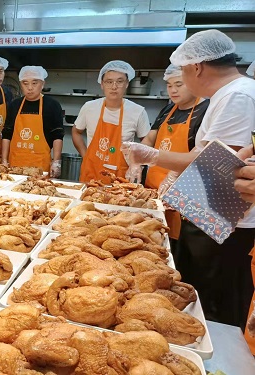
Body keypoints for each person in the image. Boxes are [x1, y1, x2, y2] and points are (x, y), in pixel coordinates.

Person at [122, 29, 255, 329]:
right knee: (196, 294)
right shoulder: (225, 95)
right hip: (209, 215)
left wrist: (151, 157)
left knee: (212, 308)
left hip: (225, 223)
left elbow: (216, 162)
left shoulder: (237, 95)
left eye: (182, 70)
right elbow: (203, 152)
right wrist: (173, 176)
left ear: (196, 67)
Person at [140, 64, 209, 244]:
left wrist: (173, 175)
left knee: (173, 247)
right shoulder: (168, 110)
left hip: (183, 195)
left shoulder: (205, 111)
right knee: (149, 238)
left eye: (179, 84)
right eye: (169, 85)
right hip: (153, 192)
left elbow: (202, 153)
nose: (173, 90)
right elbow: (149, 138)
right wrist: (137, 159)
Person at [72, 60, 150, 183]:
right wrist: (85, 155)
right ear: (102, 84)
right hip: (91, 174)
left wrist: (136, 163)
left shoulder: (138, 111)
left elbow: (147, 140)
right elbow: (76, 132)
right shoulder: (89, 107)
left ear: (127, 84)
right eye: (109, 82)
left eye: (120, 81)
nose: (114, 87)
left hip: (120, 177)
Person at [1, 66, 64, 177]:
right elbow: (7, 134)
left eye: (34, 83)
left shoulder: (52, 105)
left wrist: (56, 162)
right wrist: (4, 160)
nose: (30, 88)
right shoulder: (15, 105)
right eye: (25, 83)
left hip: (40, 167)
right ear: (21, 85)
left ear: (43, 84)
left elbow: (57, 136)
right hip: (15, 166)